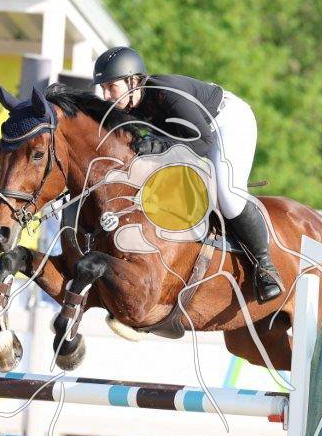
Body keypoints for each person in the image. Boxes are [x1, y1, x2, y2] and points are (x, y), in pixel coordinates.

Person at [91, 46, 283, 302]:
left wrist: (159, 146)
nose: (105, 95)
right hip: (192, 135)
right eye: (103, 88)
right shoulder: (128, 105)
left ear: (132, 81)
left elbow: (202, 142)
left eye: (110, 87)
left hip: (226, 122)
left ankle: (265, 267)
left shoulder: (167, 94)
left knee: (228, 195)